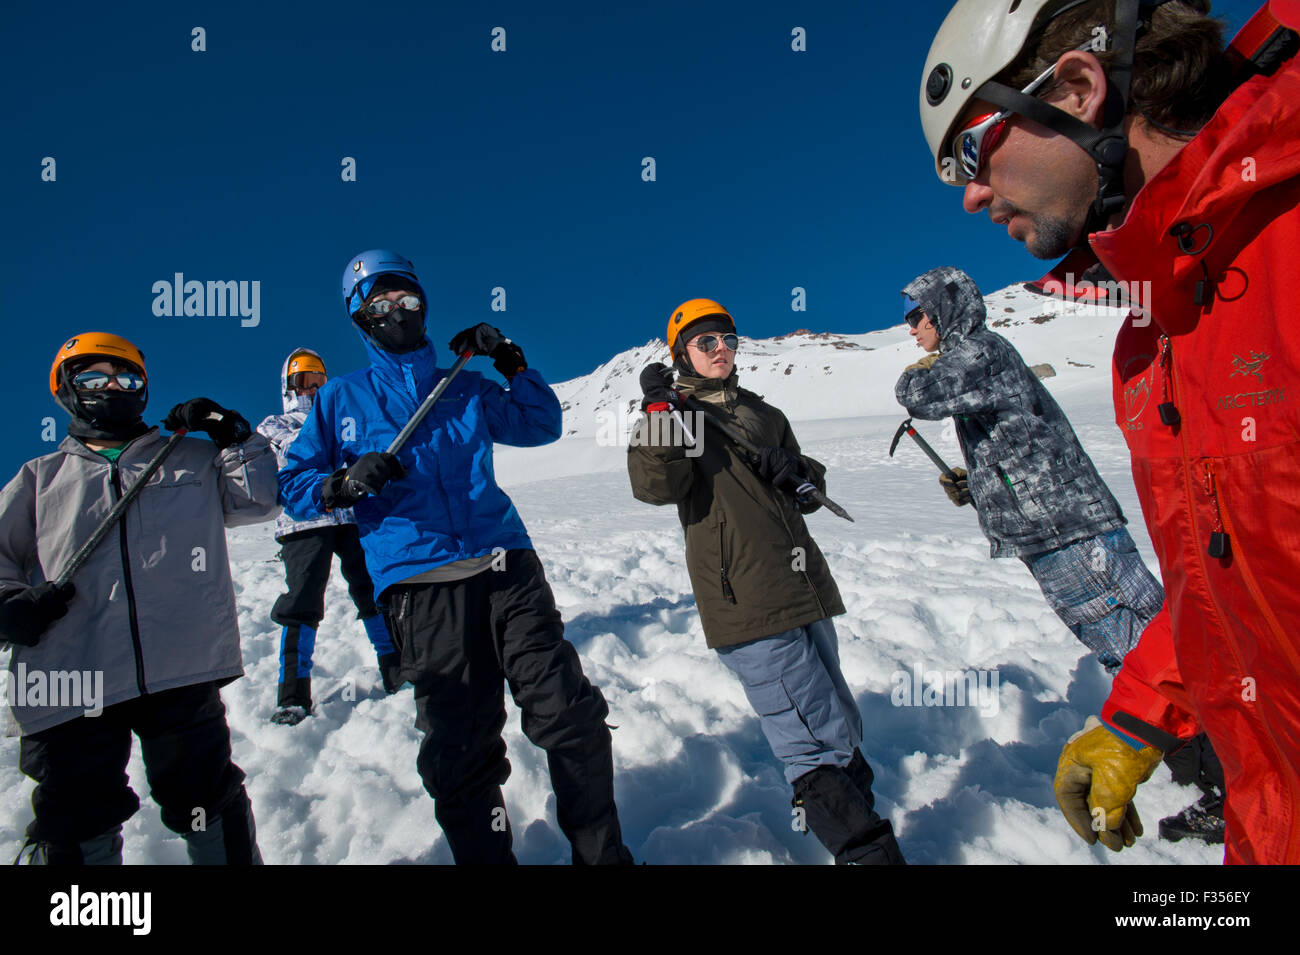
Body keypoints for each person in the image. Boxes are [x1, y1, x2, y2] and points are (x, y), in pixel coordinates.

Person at [916, 0, 1300, 863]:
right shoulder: (1153, 334)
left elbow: (927, 387)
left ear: (1080, 86)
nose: (973, 196)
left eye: (972, 152)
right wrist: (1142, 715)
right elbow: (1223, 578)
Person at [278, 249, 634, 865]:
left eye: (407, 298)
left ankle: (603, 859)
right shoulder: (341, 399)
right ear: (358, 315)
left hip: (508, 568)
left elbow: (539, 423)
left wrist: (508, 358)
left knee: (570, 716)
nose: (397, 310)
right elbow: (294, 484)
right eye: (380, 302)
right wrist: (342, 482)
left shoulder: (462, 385)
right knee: (461, 750)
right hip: (421, 585)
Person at [894, 267, 1224, 842]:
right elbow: (1021, 444)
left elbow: (918, 396)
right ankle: (1218, 778)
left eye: (918, 314)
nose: (912, 327)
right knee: (1129, 647)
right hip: (1050, 528)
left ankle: (1231, 780)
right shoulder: (979, 358)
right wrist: (980, 484)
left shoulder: (978, 350)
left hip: (1067, 530)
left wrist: (920, 369)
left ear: (944, 310)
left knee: (1143, 645)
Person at [627, 298, 906, 865]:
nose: (721, 349)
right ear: (682, 352)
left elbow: (808, 487)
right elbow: (654, 485)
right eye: (706, 342)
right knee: (810, 742)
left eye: (728, 338)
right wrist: (659, 409)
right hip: (744, 598)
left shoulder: (762, 412)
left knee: (839, 723)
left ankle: (858, 831)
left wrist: (798, 472)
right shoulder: (673, 414)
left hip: (801, 586)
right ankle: (867, 855)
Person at [0, 332, 278, 864]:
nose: (112, 388)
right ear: (65, 389)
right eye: (92, 378)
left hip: (179, 667)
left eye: (126, 378)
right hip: (70, 673)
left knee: (205, 798)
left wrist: (233, 436)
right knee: (76, 814)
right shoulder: (39, 479)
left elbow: (258, 501)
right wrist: (9, 605)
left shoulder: (191, 458)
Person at [257, 348, 401, 725]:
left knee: (372, 592)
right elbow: (296, 454)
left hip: (352, 516)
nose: (310, 389)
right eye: (302, 382)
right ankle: (293, 694)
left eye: (317, 382)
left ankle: (395, 670)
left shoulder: (341, 420)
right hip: (303, 523)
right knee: (302, 601)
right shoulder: (274, 424)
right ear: (289, 387)